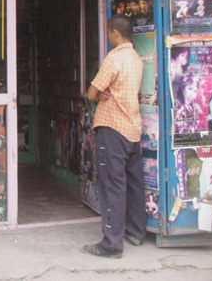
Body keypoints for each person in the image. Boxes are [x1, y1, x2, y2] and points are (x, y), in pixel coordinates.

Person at [82, 14, 145, 258]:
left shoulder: (114, 58)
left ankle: (111, 244)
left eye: (109, 33)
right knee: (133, 182)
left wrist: (99, 95)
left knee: (111, 185)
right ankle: (135, 231)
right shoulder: (136, 59)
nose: (108, 37)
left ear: (115, 33)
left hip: (112, 128)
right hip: (132, 128)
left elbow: (91, 93)